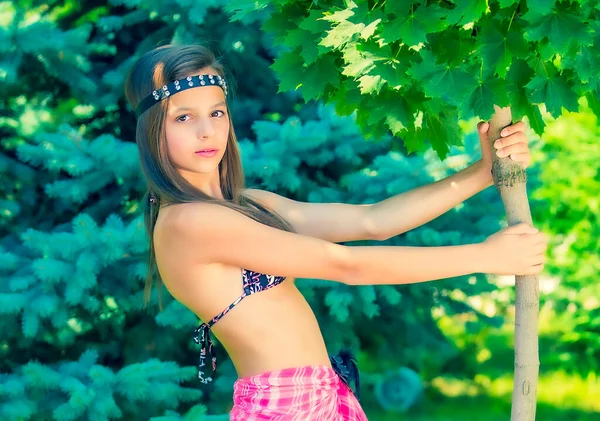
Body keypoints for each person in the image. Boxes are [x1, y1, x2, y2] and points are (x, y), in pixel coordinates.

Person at [124, 44, 546, 421]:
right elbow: (345, 264)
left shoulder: (250, 206)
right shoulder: (188, 223)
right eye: (183, 117)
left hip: (324, 397)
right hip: (285, 409)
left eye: (216, 111)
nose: (206, 130)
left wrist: (482, 172)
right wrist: (487, 257)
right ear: (151, 132)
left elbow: (372, 222)